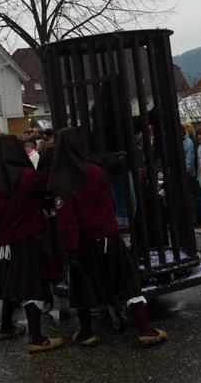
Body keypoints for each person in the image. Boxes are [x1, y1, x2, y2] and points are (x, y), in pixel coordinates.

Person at [51, 128, 167, 347]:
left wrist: (70, 248)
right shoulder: (95, 171)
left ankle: (86, 333)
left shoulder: (61, 180)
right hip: (108, 235)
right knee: (127, 281)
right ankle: (145, 329)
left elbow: (66, 221)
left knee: (83, 286)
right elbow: (110, 200)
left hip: (84, 242)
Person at [0, 135, 62, 353]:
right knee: (32, 287)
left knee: (11, 285)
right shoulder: (27, 177)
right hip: (28, 239)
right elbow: (48, 190)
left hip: (4, 245)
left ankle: (6, 327)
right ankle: (36, 338)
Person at [183, 124, 201, 227]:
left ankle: (197, 218)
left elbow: (190, 159)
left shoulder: (189, 142)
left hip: (192, 173)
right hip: (195, 172)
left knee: (194, 196)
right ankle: (199, 218)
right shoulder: (193, 141)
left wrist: (187, 171)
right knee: (197, 196)